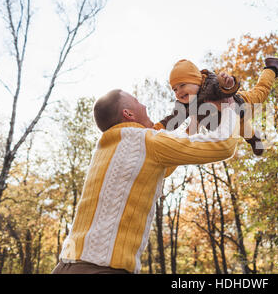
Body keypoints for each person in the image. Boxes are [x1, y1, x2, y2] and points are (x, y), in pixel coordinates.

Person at [51, 89, 239, 274]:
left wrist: (196, 120)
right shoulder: (146, 141)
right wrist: (231, 107)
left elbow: (162, 165)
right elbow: (222, 145)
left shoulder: (106, 148)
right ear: (128, 113)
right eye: (137, 100)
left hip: (64, 266)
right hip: (102, 268)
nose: (144, 104)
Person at [153, 57, 278, 156]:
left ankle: (272, 67)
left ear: (196, 81)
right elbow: (173, 120)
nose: (179, 92)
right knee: (242, 129)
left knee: (261, 92)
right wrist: (153, 131)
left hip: (243, 105)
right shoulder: (184, 104)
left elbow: (225, 90)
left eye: (182, 85)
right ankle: (254, 139)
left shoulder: (210, 84)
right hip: (227, 123)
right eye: (175, 90)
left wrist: (228, 84)